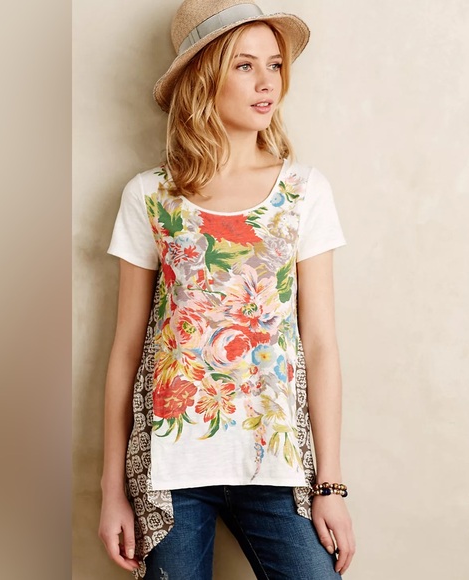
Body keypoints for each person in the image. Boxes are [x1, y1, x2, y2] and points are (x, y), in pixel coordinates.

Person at [98, 1, 355, 578]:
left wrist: (331, 485)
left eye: (274, 64)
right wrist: (113, 491)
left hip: (277, 468)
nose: (268, 83)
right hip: (169, 473)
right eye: (244, 65)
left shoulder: (303, 191)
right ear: (204, 78)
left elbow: (320, 344)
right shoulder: (150, 196)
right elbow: (126, 350)